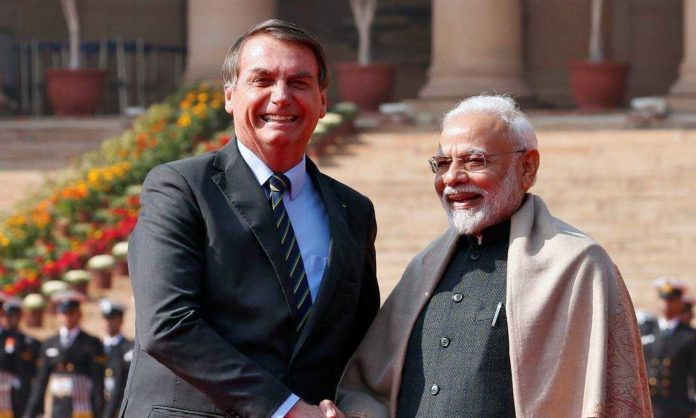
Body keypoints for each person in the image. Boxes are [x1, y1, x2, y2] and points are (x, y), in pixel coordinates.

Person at [326, 95, 651, 418]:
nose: (451, 178)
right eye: (442, 164)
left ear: (527, 167)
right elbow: (367, 387)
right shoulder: (425, 268)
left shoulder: (576, 265)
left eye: (474, 161)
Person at [120, 19, 380, 418]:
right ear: (230, 95)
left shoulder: (353, 211)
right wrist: (286, 409)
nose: (281, 97)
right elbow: (167, 325)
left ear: (322, 99)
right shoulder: (181, 188)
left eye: (299, 82)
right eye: (262, 80)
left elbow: (360, 341)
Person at [24, 291, 105, 418]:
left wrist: (99, 409)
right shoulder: (50, 343)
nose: (67, 317)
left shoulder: (91, 342)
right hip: (59, 407)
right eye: (64, 313)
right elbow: (41, 381)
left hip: (83, 406)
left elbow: (98, 379)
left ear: (79, 314)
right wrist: (31, 412)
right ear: (58, 315)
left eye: (71, 313)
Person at [641, 277, 696, 418]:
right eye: (663, 299)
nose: (666, 304)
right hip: (648, 406)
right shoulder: (646, 330)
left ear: (680, 303)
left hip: (678, 408)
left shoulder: (690, 335)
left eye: (671, 300)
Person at [0, 298, 40, 417]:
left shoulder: (29, 342)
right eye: (4, 315)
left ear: (19, 316)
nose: (7, 319)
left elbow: (36, 374)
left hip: (22, 394)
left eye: (11, 316)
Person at [99, 300, 132, 418]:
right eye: (105, 318)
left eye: (112, 318)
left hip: (119, 406)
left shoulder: (129, 347)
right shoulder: (96, 347)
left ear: (121, 320)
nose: (108, 322)